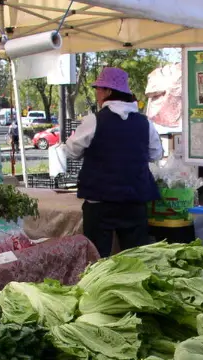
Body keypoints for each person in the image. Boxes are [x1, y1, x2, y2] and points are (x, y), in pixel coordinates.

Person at [64, 67, 163, 257]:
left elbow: (71, 150)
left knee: (97, 259)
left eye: (99, 89)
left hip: (100, 202)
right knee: (136, 259)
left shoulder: (94, 120)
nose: (97, 94)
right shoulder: (144, 123)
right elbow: (155, 154)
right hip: (134, 201)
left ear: (108, 91)